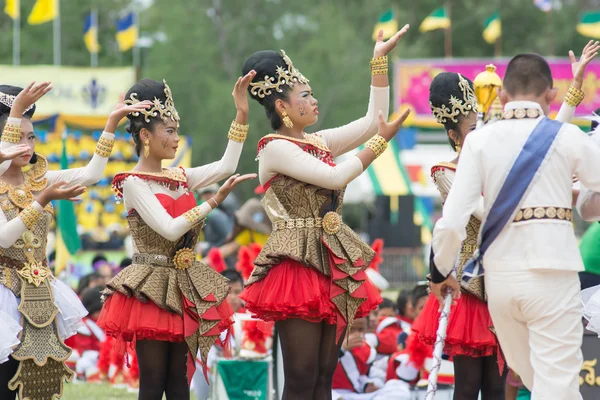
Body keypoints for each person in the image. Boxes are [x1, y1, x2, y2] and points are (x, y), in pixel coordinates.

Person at [239, 24, 412, 399]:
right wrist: (381, 143)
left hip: (330, 258)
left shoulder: (318, 141)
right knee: (300, 377)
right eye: (305, 95)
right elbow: (334, 178)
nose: (314, 101)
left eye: (313, 93)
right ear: (282, 107)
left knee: (323, 375)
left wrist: (378, 63)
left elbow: (370, 122)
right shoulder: (274, 147)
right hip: (296, 265)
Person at [429, 51, 600, 399]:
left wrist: (439, 272)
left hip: (501, 283)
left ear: (503, 96)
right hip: (554, 275)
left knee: (534, 378)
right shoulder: (566, 138)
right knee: (558, 381)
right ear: (550, 95)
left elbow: (451, 223)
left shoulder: (478, 142)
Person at [97, 75, 256, 400]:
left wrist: (241, 114)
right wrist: (212, 203)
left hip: (182, 284)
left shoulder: (180, 176)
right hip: (150, 289)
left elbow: (227, 165)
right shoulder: (133, 183)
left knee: (180, 382)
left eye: (176, 131)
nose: (175, 139)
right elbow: (169, 228)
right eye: (169, 131)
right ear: (145, 135)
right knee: (154, 385)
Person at [0, 81, 144, 400]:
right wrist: (43, 200)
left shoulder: (40, 179)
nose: (27, 145)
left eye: (32, 137)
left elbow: (91, 174)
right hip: (3, 292)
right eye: (17, 136)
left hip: (38, 291)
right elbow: (4, 236)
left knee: (38, 382)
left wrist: (109, 125)